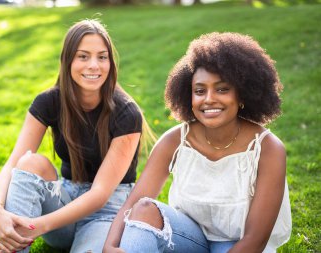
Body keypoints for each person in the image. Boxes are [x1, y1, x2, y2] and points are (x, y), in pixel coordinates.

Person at [103, 32, 292, 253]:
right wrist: (109, 246)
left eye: (222, 89)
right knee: (144, 209)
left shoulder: (267, 149)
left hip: (239, 245)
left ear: (242, 96)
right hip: (189, 238)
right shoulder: (175, 141)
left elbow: (254, 240)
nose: (209, 99)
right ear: (188, 96)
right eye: (199, 91)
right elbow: (132, 205)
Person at [0, 19, 152, 253]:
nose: (94, 65)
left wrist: (38, 226)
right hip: (65, 199)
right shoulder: (49, 102)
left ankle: (22, 237)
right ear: (68, 60)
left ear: (111, 62)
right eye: (83, 56)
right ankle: (9, 248)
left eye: (102, 57)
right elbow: (13, 163)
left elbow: (99, 195)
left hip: (106, 210)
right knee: (29, 162)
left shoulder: (127, 113)